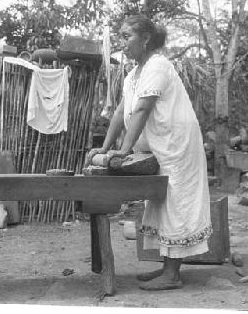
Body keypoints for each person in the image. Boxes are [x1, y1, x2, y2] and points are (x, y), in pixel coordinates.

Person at [85, 15, 212, 291]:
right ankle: (167, 268)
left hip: (178, 144)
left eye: (126, 36)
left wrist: (124, 150)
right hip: (161, 145)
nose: (122, 42)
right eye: (119, 36)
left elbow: (142, 110)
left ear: (145, 39)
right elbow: (122, 111)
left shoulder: (158, 66)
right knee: (159, 201)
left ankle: (172, 275)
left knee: (175, 201)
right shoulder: (133, 74)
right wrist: (105, 148)